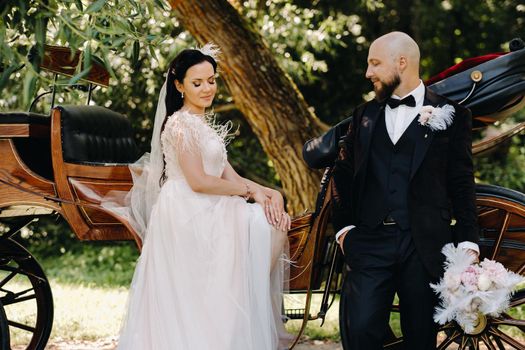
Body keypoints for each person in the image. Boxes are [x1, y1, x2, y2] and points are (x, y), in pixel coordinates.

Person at [110, 44, 292, 350]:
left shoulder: (202, 124)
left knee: (273, 221)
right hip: (189, 209)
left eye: (211, 80)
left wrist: (268, 192)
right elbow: (198, 181)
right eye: (198, 83)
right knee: (260, 233)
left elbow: (229, 177)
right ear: (179, 86)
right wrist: (250, 193)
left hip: (210, 203)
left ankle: (244, 298)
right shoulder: (180, 124)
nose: (208, 88)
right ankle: (246, 294)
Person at [331, 32, 479, 349]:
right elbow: (342, 175)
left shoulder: (453, 115)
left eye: (374, 63)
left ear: (402, 62)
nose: (368, 73)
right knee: (359, 334)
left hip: (424, 245)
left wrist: (468, 240)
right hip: (369, 242)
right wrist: (345, 231)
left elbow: (462, 181)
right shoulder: (363, 116)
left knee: (420, 340)